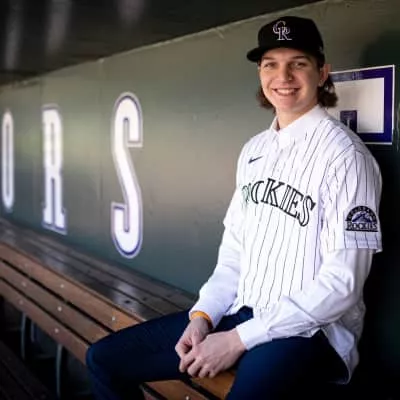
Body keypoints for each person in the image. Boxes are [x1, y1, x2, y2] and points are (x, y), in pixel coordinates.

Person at [86, 15, 382, 399]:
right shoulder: (254, 150)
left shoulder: (346, 157)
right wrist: (203, 317)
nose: (283, 76)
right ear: (260, 74)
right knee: (104, 359)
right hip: (244, 314)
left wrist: (236, 340)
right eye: (270, 64)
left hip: (312, 334)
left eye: (298, 63)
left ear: (322, 73)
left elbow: (342, 285)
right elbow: (233, 255)